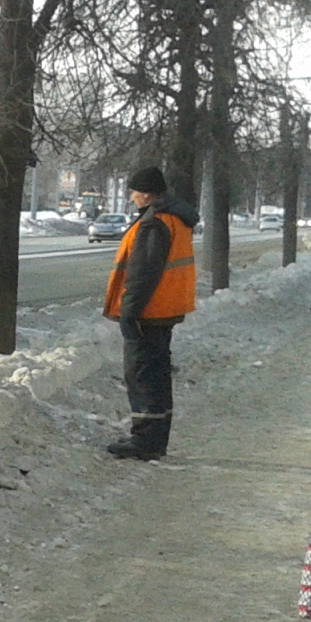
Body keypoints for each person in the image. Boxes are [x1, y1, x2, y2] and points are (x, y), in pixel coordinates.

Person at [101, 165, 198, 459]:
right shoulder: (174, 219)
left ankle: (146, 441)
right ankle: (155, 437)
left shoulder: (154, 223)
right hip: (163, 310)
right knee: (156, 375)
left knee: (142, 375)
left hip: (147, 313)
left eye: (133, 192)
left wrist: (129, 313)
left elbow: (142, 274)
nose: (130, 197)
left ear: (145, 193)